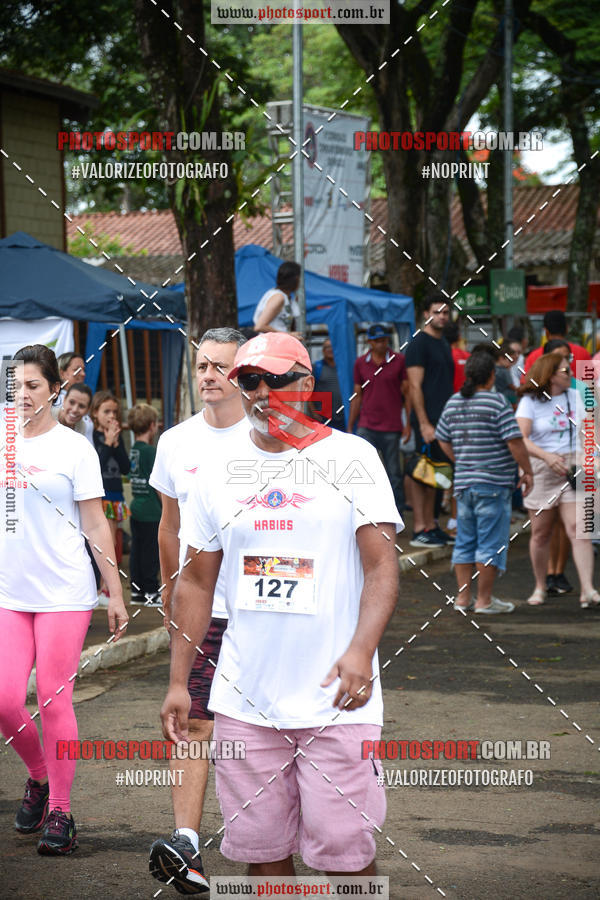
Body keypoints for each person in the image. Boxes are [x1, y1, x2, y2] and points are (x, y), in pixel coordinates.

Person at [161, 332, 402, 883]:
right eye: (250, 381)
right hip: (246, 700)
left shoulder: (351, 457)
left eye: (277, 379)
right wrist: (180, 681)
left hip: (336, 699)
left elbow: (382, 567)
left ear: (307, 383)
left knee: (346, 856)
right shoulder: (218, 471)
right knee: (262, 850)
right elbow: (196, 584)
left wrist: (361, 651)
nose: (263, 393)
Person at [0, 345, 128, 856]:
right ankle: (37, 776)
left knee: (54, 698)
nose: (23, 394)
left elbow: (96, 522)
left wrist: (113, 591)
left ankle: (61, 811)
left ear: (53, 388)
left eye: (33, 385)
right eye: (16, 386)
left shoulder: (75, 449)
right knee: (6, 700)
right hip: (9, 591)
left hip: (64, 593)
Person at [148, 327, 250, 894]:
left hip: (261, 612)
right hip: (201, 610)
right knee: (193, 721)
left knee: (271, 729)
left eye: (220, 367)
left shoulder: (265, 440)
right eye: (202, 366)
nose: (208, 375)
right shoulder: (175, 443)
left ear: (245, 376)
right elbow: (169, 525)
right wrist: (170, 589)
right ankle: (186, 843)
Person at [436, 351, 533, 613]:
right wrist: (527, 470)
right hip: (493, 483)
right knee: (490, 543)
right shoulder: (497, 402)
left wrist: (461, 458)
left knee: (465, 541)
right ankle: (484, 601)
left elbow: (442, 437)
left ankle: (462, 599)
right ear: (491, 376)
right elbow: (514, 441)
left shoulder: (454, 402)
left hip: (465, 483)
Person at [516, 353, 600, 608]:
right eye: (565, 371)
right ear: (551, 374)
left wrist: (594, 455)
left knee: (579, 529)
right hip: (541, 465)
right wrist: (545, 456)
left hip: (575, 464)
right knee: (541, 532)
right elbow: (522, 438)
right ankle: (540, 586)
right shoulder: (529, 402)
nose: (571, 374)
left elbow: (593, 429)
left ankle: (588, 589)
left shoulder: (578, 396)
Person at [405, 296, 455, 546]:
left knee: (439, 472)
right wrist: (423, 423)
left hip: (445, 421)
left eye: (446, 312)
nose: (442, 316)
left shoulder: (443, 342)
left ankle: (432, 524)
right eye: (437, 312)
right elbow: (414, 386)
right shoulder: (418, 344)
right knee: (421, 471)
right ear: (427, 313)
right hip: (427, 420)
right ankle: (419, 529)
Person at [347, 323, 410, 512]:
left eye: (384, 340)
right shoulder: (360, 363)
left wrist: (408, 424)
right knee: (365, 472)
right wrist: (351, 425)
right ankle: (366, 511)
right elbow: (357, 395)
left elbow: (407, 394)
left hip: (392, 426)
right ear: (370, 342)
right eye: (377, 341)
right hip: (367, 425)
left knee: (394, 474)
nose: (381, 344)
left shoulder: (399, 361)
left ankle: (397, 514)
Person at [90, 391, 130, 605]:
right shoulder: (93, 437)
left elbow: (125, 468)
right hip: (100, 497)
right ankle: (100, 587)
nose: (111, 416)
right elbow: (96, 465)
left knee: (113, 542)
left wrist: (115, 444)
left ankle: (106, 588)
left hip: (115, 496)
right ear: (95, 413)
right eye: (106, 411)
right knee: (100, 543)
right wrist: (106, 443)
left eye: (114, 411)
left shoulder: (116, 436)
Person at [127, 404, 161, 606]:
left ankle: (137, 591)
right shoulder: (151, 451)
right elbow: (158, 483)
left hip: (136, 508)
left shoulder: (134, 450)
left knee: (137, 551)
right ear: (152, 426)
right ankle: (150, 591)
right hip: (151, 511)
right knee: (150, 553)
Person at [524, 310, 591, 376]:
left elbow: (526, 383)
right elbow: (591, 384)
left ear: (546, 331)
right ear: (567, 329)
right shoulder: (583, 353)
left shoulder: (534, 356)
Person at [253, 261, 302, 338]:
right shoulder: (278, 297)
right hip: (270, 345)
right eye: (299, 278)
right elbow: (260, 326)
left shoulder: (287, 298)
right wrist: (288, 335)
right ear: (295, 279)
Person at [311, 338, 346, 431]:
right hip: (323, 418)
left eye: (332, 347)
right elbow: (308, 392)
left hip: (343, 418)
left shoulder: (344, 367)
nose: (330, 349)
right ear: (323, 351)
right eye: (327, 347)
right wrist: (314, 413)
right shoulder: (317, 367)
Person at [443, 320, 470, 393]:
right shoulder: (469, 357)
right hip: (468, 398)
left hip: (450, 400)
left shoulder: (442, 357)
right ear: (459, 337)